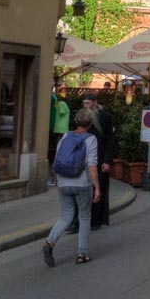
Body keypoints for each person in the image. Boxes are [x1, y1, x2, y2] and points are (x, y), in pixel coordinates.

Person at [43, 108, 100, 267]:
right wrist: (97, 187)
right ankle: (82, 253)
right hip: (82, 183)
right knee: (84, 217)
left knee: (65, 216)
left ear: (75, 121)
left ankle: (49, 243)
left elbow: (57, 160)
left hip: (63, 182)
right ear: (89, 123)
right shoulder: (91, 139)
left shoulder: (65, 136)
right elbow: (92, 164)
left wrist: (57, 182)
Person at [68, 92, 116, 232]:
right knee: (79, 189)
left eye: (88, 103)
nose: (86, 106)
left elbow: (109, 140)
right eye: (84, 103)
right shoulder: (81, 116)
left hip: (99, 159)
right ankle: (76, 222)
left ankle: (96, 220)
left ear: (95, 103)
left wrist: (107, 161)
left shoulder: (105, 117)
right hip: (82, 159)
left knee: (98, 190)